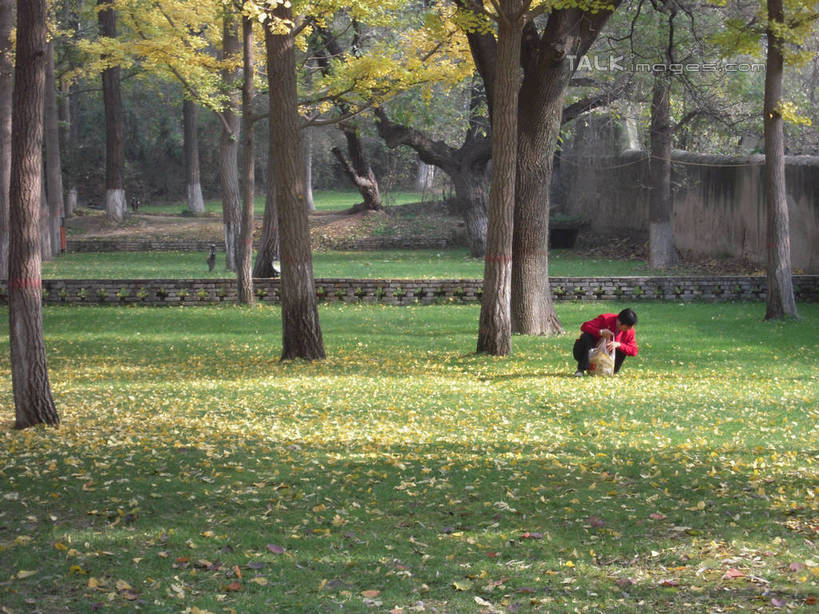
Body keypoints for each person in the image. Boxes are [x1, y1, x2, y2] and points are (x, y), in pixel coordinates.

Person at [573, 308, 638, 376]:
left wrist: (619, 345)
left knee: (623, 348)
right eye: (627, 327)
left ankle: (614, 371)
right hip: (591, 350)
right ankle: (581, 369)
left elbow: (634, 351)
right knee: (586, 336)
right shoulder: (606, 319)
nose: (629, 329)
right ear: (619, 322)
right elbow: (584, 326)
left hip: (608, 359)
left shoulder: (630, 331)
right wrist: (600, 332)